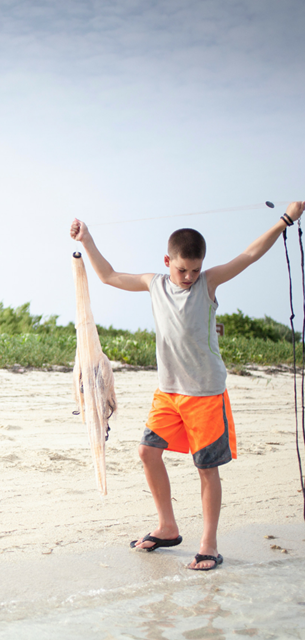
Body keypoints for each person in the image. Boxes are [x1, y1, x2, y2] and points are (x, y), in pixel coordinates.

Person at [70, 201, 305, 570]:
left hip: (206, 394)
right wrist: (87, 240)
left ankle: (209, 544)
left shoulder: (208, 283)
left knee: (206, 469)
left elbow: (249, 255)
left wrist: (285, 220)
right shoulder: (155, 284)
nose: (189, 276)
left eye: (195, 270)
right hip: (168, 392)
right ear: (168, 262)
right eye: (183, 269)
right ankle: (167, 526)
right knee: (148, 453)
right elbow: (109, 276)